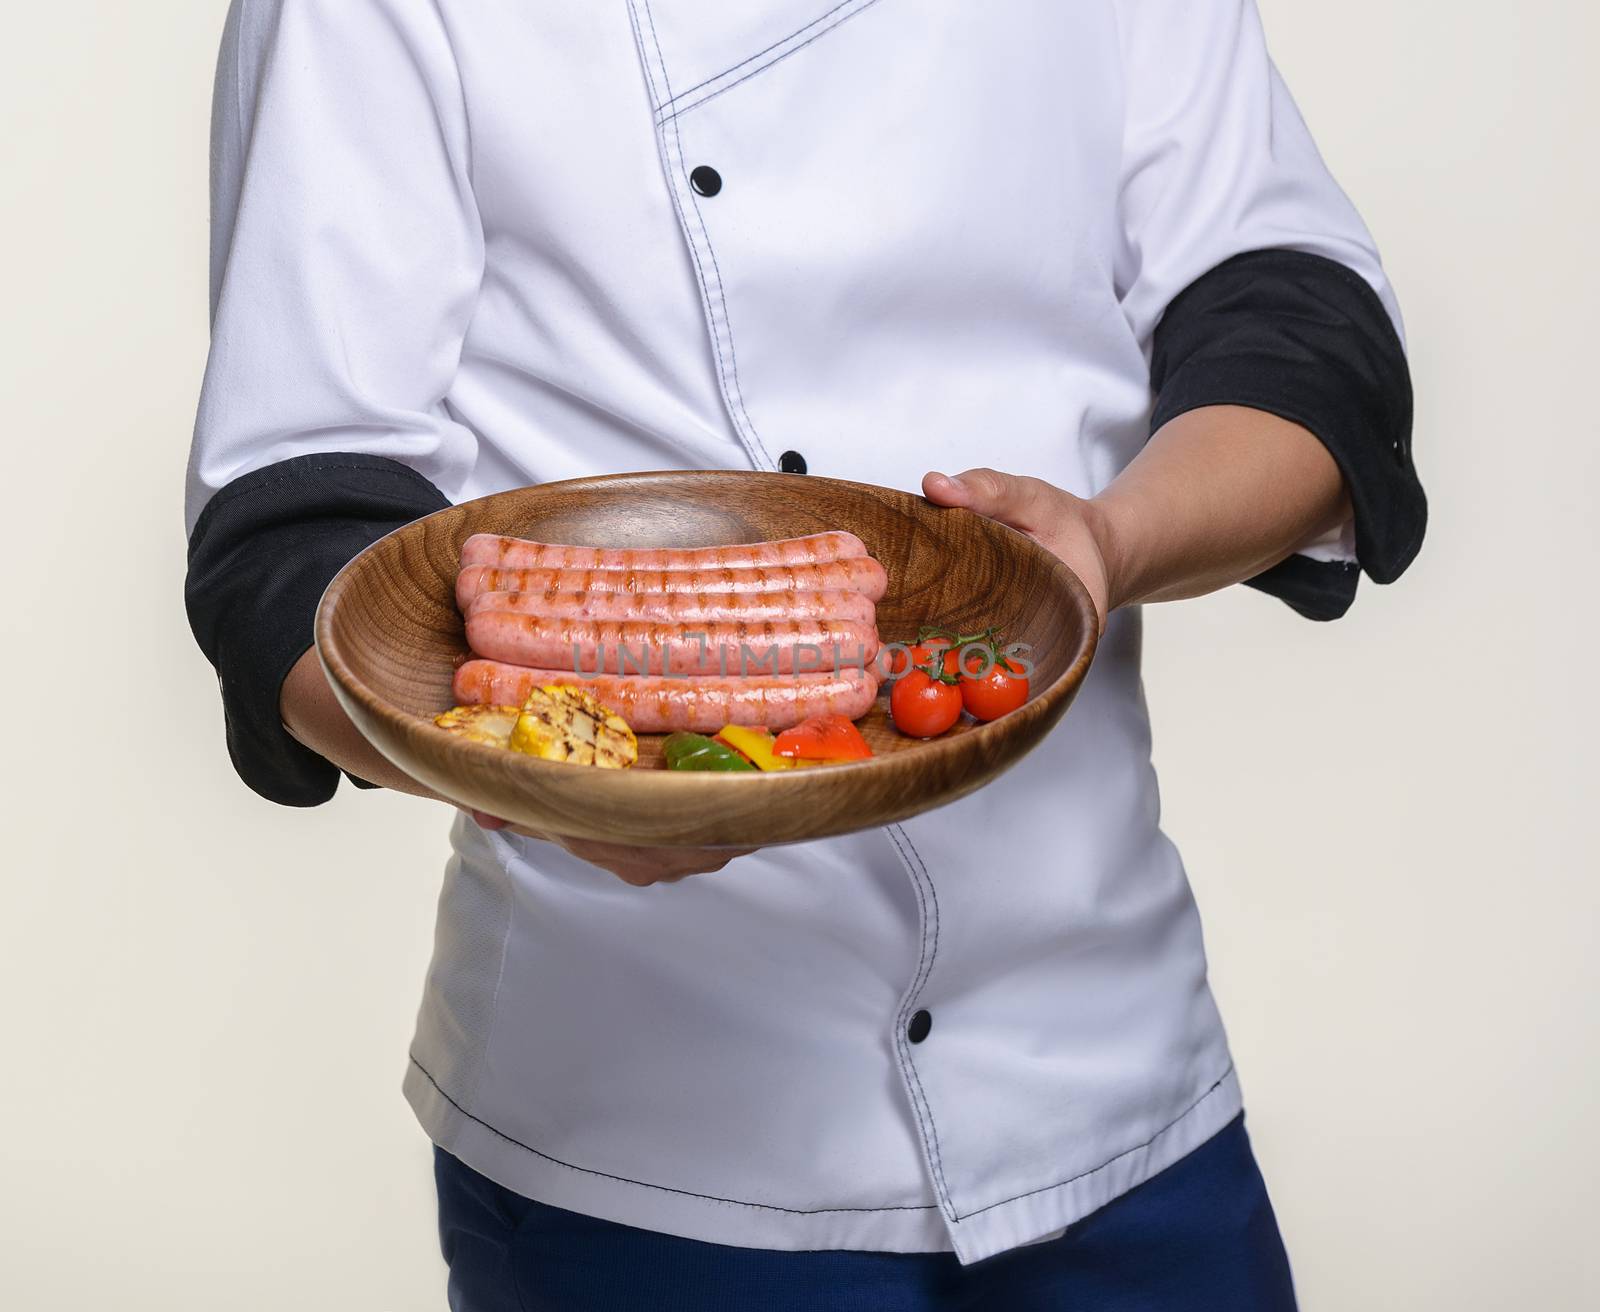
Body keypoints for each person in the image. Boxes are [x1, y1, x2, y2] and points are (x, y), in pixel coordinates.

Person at [184, 1, 1424, 1307]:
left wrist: (1110, 541)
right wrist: (530, 770)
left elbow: (1293, 319)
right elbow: (292, 523)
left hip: (1118, 1061)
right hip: (654, 1154)